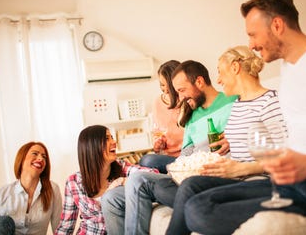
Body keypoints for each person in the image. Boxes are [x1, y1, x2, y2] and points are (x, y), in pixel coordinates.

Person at [181, 0, 306, 235]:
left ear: (277, 25)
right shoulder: (288, 69)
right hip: (292, 178)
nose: (250, 45)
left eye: (253, 34)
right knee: (198, 207)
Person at [101, 60, 238, 235]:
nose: (179, 98)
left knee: (139, 178)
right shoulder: (194, 115)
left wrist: (233, 138)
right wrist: (179, 168)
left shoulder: (232, 101)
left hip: (207, 178)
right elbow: (187, 151)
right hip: (184, 176)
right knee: (110, 198)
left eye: (181, 91)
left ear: (199, 82)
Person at [164, 45, 287, 235]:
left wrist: (242, 168)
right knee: (191, 185)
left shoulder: (270, 101)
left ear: (235, 68)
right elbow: (248, 134)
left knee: (193, 200)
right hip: (236, 175)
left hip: (259, 179)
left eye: (220, 72)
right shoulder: (238, 104)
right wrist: (230, 141)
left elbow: (286, 156)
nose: (219, 80)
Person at [55, 125, 158, 234]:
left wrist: (122, 181)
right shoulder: (73, 182)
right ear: (91, 147)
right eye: (107, 139)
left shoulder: (122, 168)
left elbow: (153, 175)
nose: (114, 142)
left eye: (112, 137)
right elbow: (66, 227)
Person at [0, 141, 62, 235]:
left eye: (44, 157)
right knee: (3, 222)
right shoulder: (3, 192)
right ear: (22, 158)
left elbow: (60, 229)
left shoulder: (53, 189)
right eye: (35, 154)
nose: (41, 158)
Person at [139, 60, 184, 173]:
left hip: (187, 156)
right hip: (169, 157)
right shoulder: (158, 102)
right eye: (161, 85)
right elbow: (158, 132)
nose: (164, 89)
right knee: (145, 161)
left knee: (147, 162)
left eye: (167, 84)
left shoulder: (188, 101)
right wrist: (158, 144)